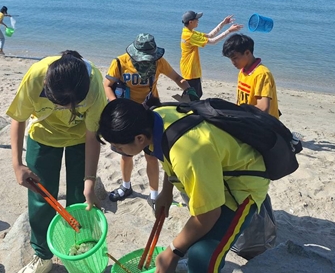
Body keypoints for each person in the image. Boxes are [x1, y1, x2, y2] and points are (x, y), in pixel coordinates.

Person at [97, 99, 269, 273]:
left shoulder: (187, 153)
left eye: (118, 147)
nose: (117, 150)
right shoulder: (155, 117)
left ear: (139, 138)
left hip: (242, 185)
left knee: (201, 258)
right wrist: (166, 192)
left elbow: (209, 214)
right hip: (213, 171)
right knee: (193, 239)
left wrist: (173, 251)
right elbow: (168, 152)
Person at [8, 50, 106, 273]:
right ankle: (42, 256)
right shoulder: (36, 76)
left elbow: (93, 135)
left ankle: (79, 252)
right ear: (46, 85)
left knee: (81, 200)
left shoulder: (94, 84)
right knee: (41, 196)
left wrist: (90, 180)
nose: (68, 109)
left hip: (81, 139)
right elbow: (19, 118)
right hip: (43, 135)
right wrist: (17, 164)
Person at [103, 33, 198, 206]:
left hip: (150, 113)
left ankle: (153, 194)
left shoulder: (159, 62)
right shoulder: (120, 62)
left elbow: (178, 78)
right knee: (126, 155)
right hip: (127, 117)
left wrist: (188, 89)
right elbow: (107, 85)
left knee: (152, 157)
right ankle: (126, 186)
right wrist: (116, 105)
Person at [180, 11, 243, 98]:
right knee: (193, 96)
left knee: (196, 94)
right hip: (190, 70)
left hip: (191, 69)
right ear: (190, 22)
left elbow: (210, 35)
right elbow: (213, 41)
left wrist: (223, 23)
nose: (198, 21)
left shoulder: (190, 32)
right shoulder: (189, 35)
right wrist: (229, 31)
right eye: (196, 19)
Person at [222, 33, 280, 119]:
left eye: (235, 58)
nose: (233, 62)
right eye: (231, 59)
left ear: (247, 53)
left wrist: (240, 113)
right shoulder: (242, 71)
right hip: (247, 118)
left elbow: (263, 108)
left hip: (264, 123)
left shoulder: (261, 74)